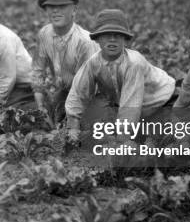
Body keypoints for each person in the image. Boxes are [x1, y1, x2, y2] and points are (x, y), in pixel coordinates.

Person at [65, 9, 176, 143]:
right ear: (97, 39)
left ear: (125, 39)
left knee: (162, 143)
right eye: (107, 35)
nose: (112, 40)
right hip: (138, 111)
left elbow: (130, 106)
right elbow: (77, 94)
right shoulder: (93, 63)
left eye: (118, 35)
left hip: (165, 102)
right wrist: (72, 128)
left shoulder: (134, 63)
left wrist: (122, 140)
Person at [31, 0, 98, 124]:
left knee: (77, 130)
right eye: (51, 7)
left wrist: (70, 118)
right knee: (39, 120)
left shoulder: (84, 41)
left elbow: (85, 89)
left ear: (74, 10)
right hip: (66, 91)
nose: (55, 11)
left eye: (62, 7)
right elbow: (38, 72)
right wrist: (40, 107)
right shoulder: (44, 34)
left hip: (93, 96)